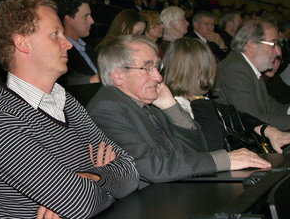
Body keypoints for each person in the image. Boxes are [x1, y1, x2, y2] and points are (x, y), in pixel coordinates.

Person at [0, 0, 179, 219]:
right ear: (23, 44)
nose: (68, 44)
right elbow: (77, 202)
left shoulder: (66, 102)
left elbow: (130, 170)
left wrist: (90, 177)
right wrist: (96, 181)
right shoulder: (1, 123)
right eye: (55, 35)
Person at [87, 35, 270, 188]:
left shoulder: (146, 101)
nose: (158, 77)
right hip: (150, 206)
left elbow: (196, 149)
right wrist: (224, 160)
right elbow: (155, 168)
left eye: (157, 67)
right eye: (147, 68)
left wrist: (170, 106)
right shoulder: (108, 109)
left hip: (175, 190)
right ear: (118, 75)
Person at [162, 37, 290, 152]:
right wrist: (199, 99)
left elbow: (236, 115)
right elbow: (212, 146)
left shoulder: (196, 100)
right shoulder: (175, 107)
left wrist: (268, 130)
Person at [216, 19, 290, 131]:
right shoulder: (235, 69)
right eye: (273, 44)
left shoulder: (247, 68)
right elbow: (253, 120)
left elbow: (271, 106)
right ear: (250, 46)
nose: (278, 52)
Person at [56, 0, 100, 85]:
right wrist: (90, 80)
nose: (91, 21)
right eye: (86, 16)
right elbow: (65, 83)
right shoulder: (60, 53)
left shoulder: (89, 47)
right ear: (68, 20)